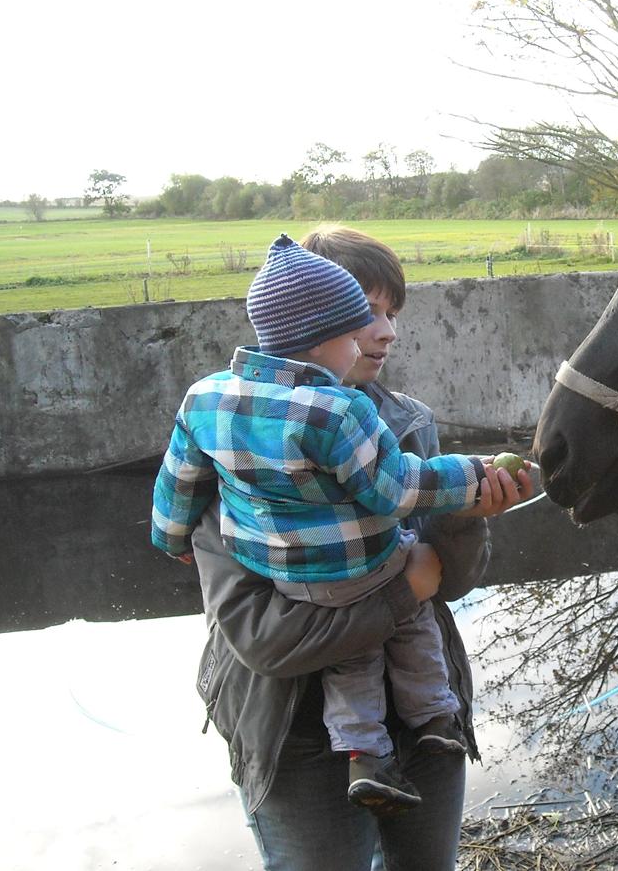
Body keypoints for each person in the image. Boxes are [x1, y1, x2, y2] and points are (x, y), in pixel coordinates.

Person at [183, 226, 533, 870]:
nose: (385, 332)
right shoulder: (232, 436)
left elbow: (450, 578)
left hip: (420, 704)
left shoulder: (409, 424)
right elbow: (265, 639)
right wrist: (408, 588)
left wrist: (467, 513)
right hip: (294, 728)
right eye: (366, 313)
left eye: (392, 313)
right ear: (301, 325)